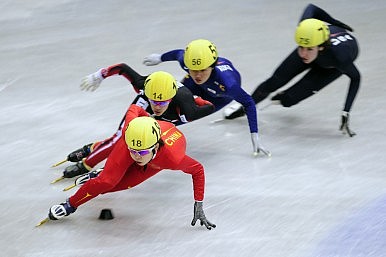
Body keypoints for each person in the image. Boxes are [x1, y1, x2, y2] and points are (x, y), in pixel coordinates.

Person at [47, 109, 216, 230]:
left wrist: (198, 203)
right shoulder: (132, 131)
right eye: (134, 151)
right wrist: (145, 119)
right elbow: (134, 109)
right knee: (107, 181)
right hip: (133, 142)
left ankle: (98, 175)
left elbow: (198, 170)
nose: (137, 156)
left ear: (156, 147)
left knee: (119, 186)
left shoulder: (173, 158)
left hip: (157, 162)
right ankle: (70, 205)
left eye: (141, 152)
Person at [223, 4, 360, 137]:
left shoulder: (339, 57)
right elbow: (311, 8)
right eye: (300, 47)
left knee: (289, 100)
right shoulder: (307, 36)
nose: (303, 54)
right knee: (273, 82)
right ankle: (244, 108)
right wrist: (334, 22)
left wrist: (346, 111)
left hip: (329, 67)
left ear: (321, 47)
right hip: (315, 43)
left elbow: (356, 78)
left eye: (309, 49)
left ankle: (287, 95)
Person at [57, 68, 215, 179]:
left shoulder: (186, 104)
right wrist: (100, 75)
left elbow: (209, 106)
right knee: (121, 137)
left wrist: (195, 100)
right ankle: (88, 163)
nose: (158, 106)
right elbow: (122, 68)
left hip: (165, 117)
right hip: (143, 107)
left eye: (163, 102)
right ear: (147, 94)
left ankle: (92, 148)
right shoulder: (143, 85)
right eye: (155, 100)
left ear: (172, 98)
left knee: (141, 143)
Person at [143, 39, 270, 156]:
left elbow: (249, 103)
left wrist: (255, 134)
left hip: (218, 96)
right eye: (193, 70)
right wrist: (160, 58)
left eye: (203, 70)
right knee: (166, 101)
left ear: (212, 66)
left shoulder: (228, 84)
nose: (198, 75)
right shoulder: (187, 62)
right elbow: (178, 53)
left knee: (182, 116)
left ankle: (148, 139)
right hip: (196, 86)